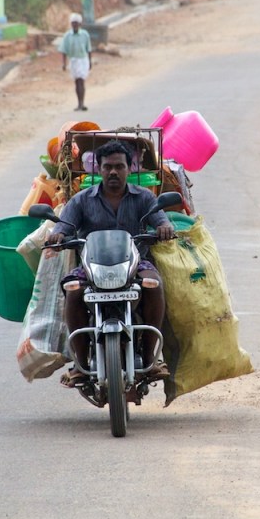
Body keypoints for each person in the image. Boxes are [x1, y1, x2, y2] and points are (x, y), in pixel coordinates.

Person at [46, 139, 175, 387]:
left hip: (135, 265)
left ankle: (150, 360)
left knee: (154, 285)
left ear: (129, 169)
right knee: (73, 291)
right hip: (90, 268)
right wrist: (58, 234)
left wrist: (165, 229)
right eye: (107, 167)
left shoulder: (144, 198)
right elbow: (64, 225)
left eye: (119, 166)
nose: (113, 172)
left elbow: (162, 220)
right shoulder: (82, 200)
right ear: (99, 169)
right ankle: (82, 365)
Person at [58, 12, 93, 112]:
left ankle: (82, 103)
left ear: (80, 24)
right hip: (73, 60)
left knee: (81, 81)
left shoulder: (85, 35)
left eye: (76, 23)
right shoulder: (67, 36)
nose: (75, 25)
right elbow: (64, 51)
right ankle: (79, 103)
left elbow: (89, 49)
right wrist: (64, 64)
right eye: (73, 23)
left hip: (83, 60)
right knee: (77, 82)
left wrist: (90, 61)